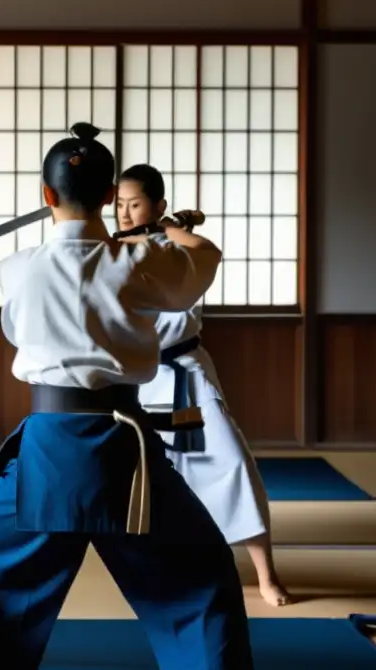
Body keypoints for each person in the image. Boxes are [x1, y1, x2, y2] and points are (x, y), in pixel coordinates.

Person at [0, 125, 282, 670]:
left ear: (47, 194)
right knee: (202, 564)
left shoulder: (20, 268)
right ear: (108, 196)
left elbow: (19, 331)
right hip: (127, 451)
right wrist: (165, 226)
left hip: (49, 447)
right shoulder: (143, 263)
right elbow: (204, 257)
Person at [116, 164, 293, 609]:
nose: (123, 212)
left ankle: (266, 574)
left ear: (158, 206)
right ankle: (160, 572)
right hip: (136, 377)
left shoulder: (180, 249)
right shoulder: (111, 252)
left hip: (185, 370)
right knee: (142, 481)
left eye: (134, 204)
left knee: (231, 461)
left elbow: (206, 249)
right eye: (117, 204)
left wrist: (168, 229)